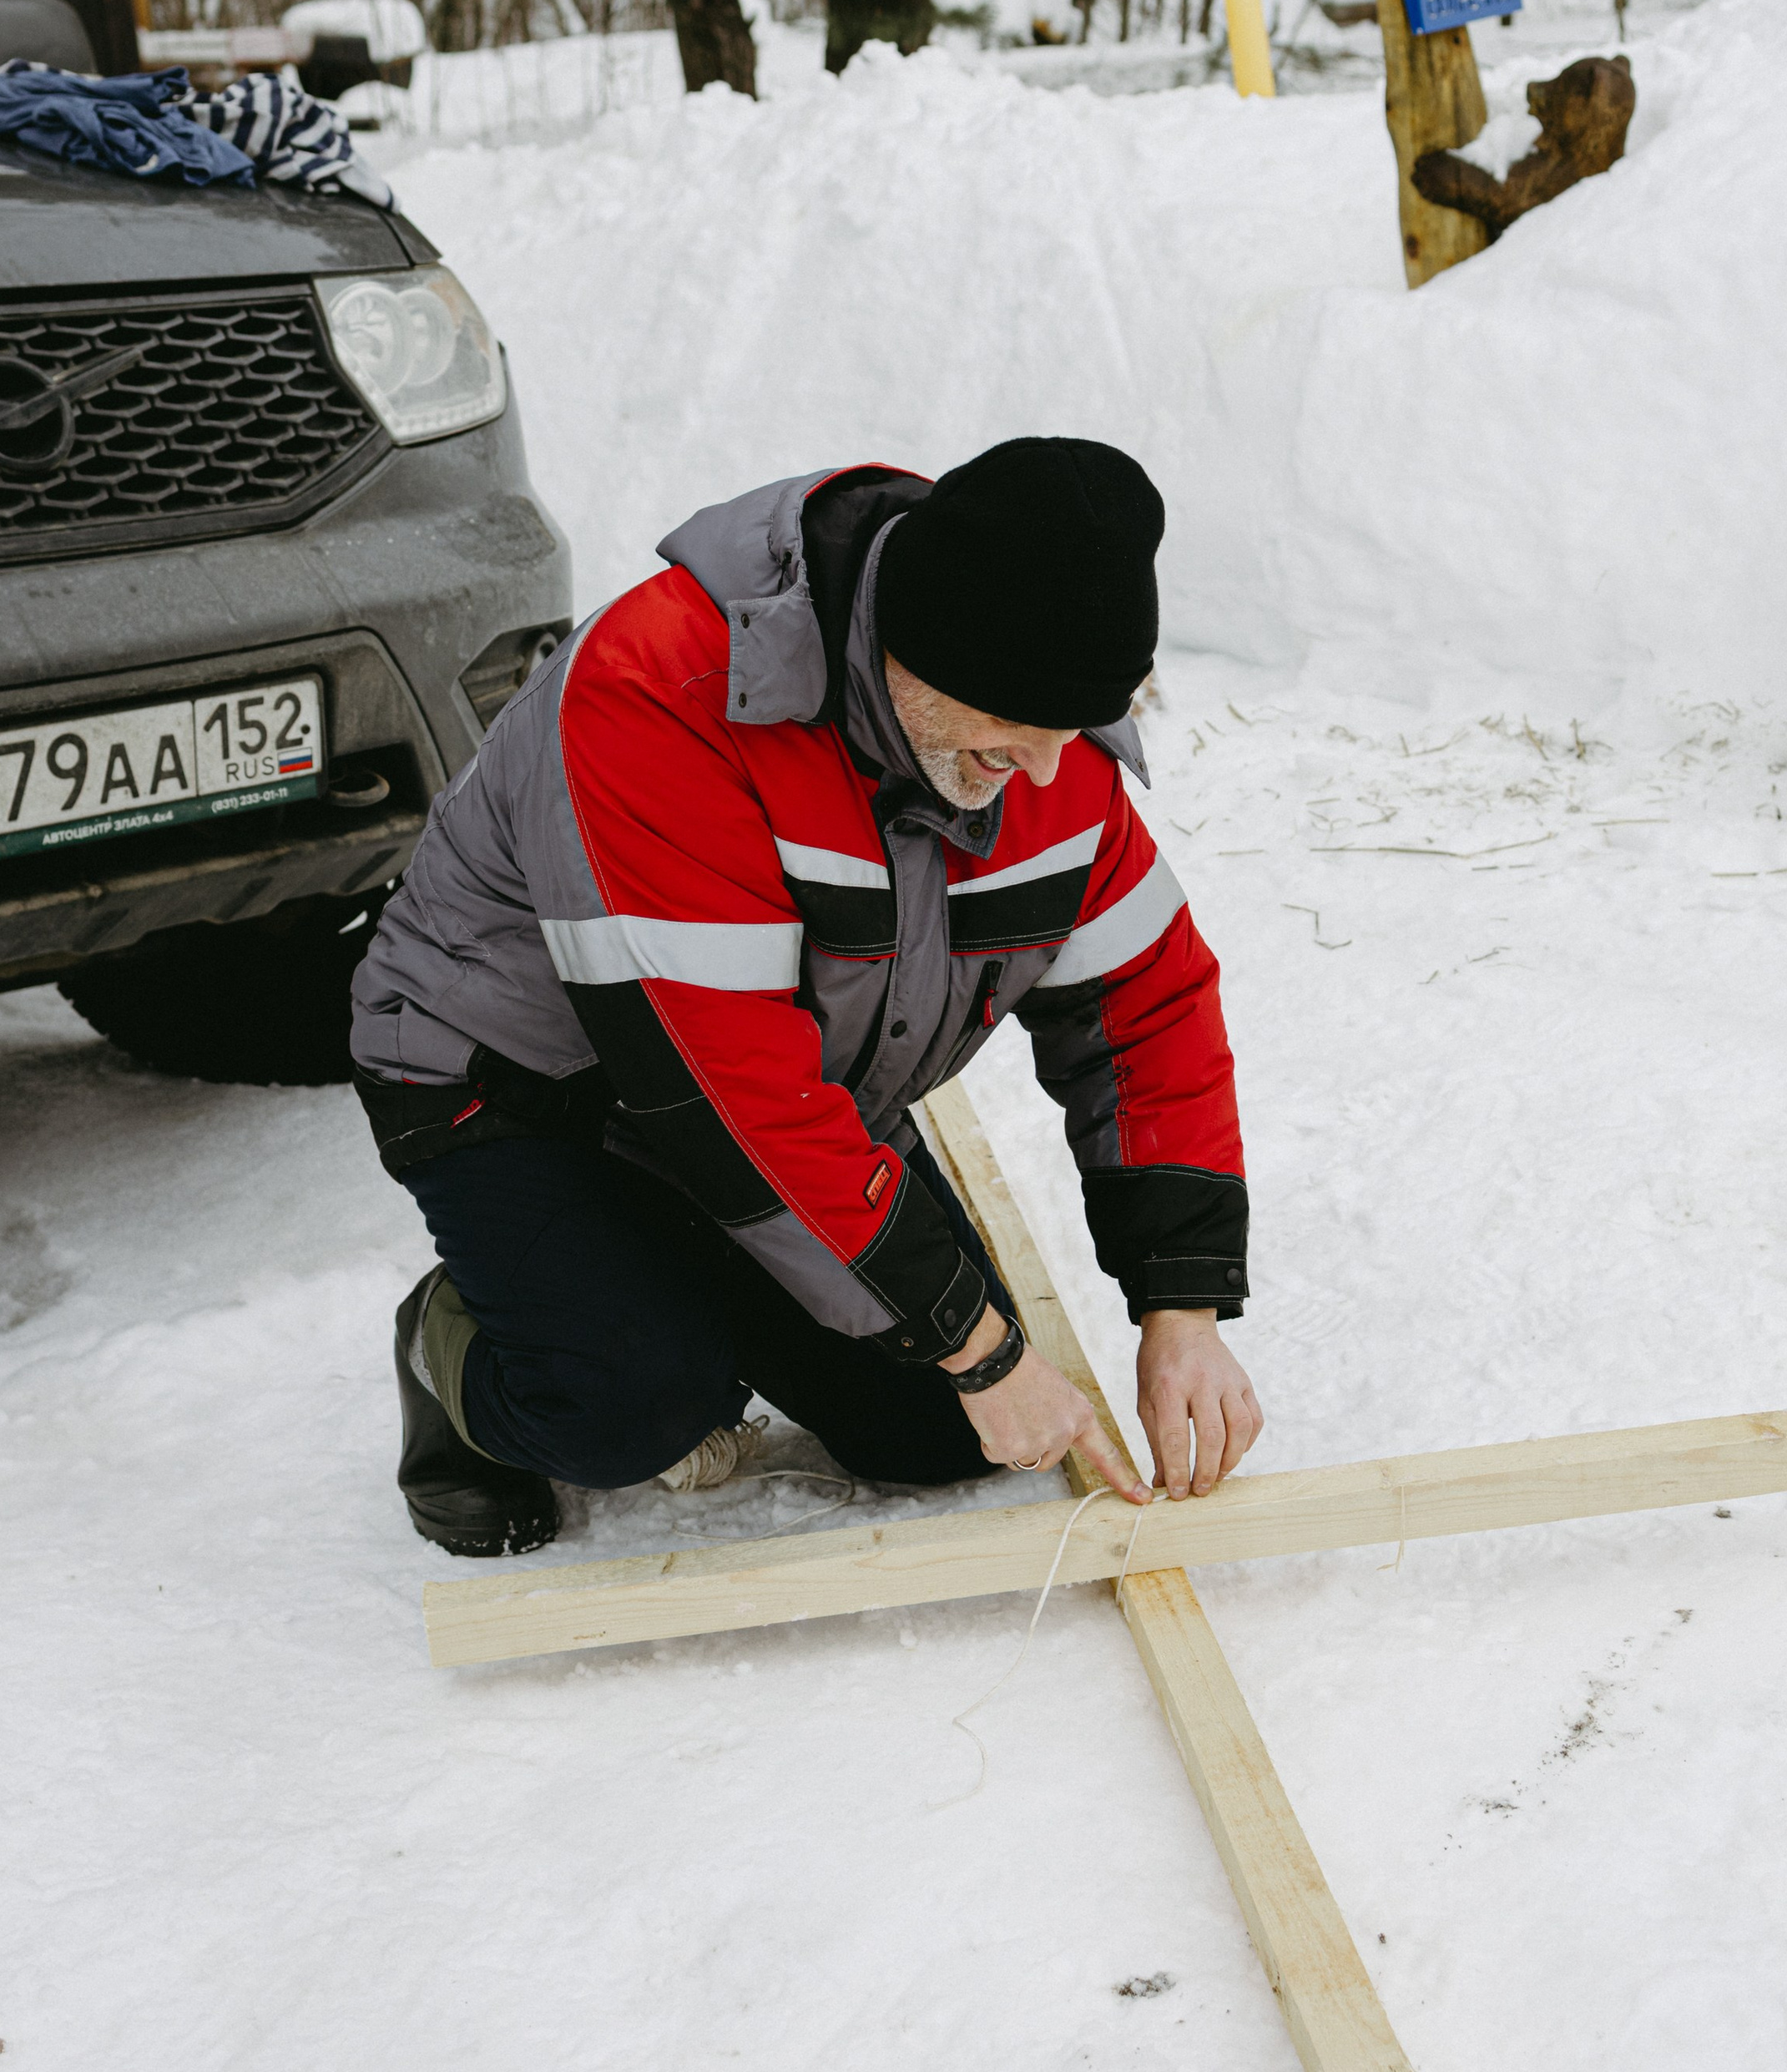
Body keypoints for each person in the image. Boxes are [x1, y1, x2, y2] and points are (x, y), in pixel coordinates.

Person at [351, 437, 1261, 1555]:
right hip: (520, 1085)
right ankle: (450, 1350)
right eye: (1012, 735)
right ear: (918, 648)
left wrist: (1182, 1305)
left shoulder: (1033, 730)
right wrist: (973, 1344)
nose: (1037, 773)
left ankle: (676, 1282)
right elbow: (727, 1094)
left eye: (1066, 735)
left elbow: (1143, 1006)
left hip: (772, 1088)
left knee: (945, 1429)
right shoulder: (668, 690)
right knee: (633, 1397)